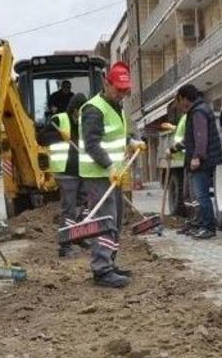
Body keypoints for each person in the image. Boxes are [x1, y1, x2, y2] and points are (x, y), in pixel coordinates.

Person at [78, 61, 145, 288]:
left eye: (125, 91)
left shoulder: (116, 107)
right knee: (105, 221)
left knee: (115, 221)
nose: (121, 94)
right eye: (118, 90)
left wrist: (131, 142)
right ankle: (101, 269)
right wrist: (109, 167)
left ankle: (110, 262)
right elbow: (92, 145)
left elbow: (115, 135)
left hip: (113, 175)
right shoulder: (93, 109)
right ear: (106, 84)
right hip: (98, 175)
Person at [37, 92, 88, 258]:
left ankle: (79, 236)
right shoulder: (59, 120)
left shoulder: (85, 121)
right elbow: (41, 138)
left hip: (83, 171)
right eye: (79, 111)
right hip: (65, 172)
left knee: (83, 206)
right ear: (73, 109)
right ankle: (65, 245)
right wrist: (59, 136)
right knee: (69, 208)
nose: (80, 115)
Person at [174, 84, 222, 239]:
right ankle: (201, 224)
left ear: (184, 98)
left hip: (203, 161)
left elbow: (201, 137)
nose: (180, 104)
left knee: (202, 196)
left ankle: (208, 227)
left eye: (179, 100)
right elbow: (191, 138)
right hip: (204, 159)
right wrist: (175, 148)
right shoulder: (197, 110)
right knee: (199, 195)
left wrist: (197, 157)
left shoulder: (198, 112)